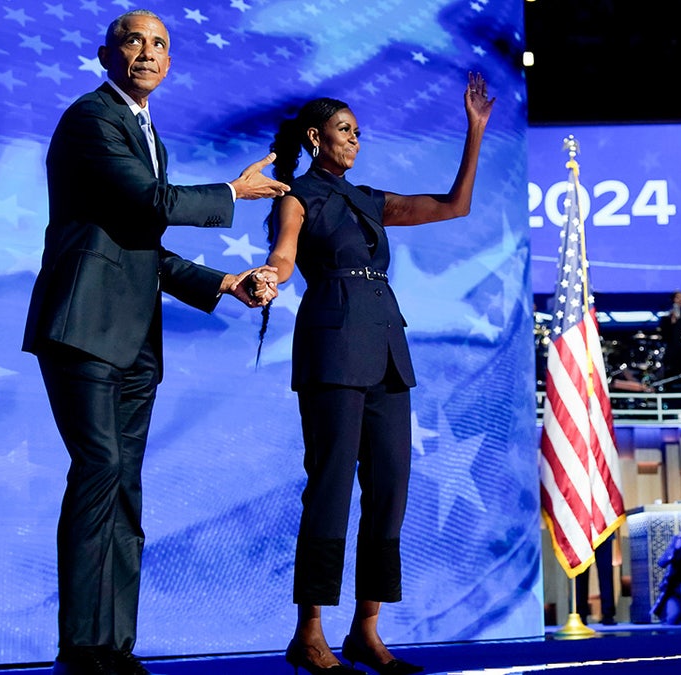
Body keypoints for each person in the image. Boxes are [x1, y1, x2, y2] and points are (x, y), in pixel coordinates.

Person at [21, 10, 290, 675]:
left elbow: (145, 246)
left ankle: (115, 646)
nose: (147, 52)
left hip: (136, 338)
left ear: (169, 63)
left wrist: (225, 281)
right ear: (106, 54)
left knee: (126, 489)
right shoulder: (92, 118)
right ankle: (80, 647)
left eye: (160, 44)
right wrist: (234, 190)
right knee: (100, 471)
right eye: (134, 40)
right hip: (83, 326)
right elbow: (151, 204)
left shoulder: (148, 134)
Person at [260, 73, 494, 675]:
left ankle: (367, 631)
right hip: (333, 351)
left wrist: (475, 131)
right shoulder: (297, 195)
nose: (355, 141)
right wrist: (268, 277)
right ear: (316, 138)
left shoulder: (367, 198)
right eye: (344, 131)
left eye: (359, 133)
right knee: (331, 490)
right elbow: (284, 257)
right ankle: (308, 633)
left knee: (389, 492)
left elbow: (454, 205)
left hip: (389, 351)